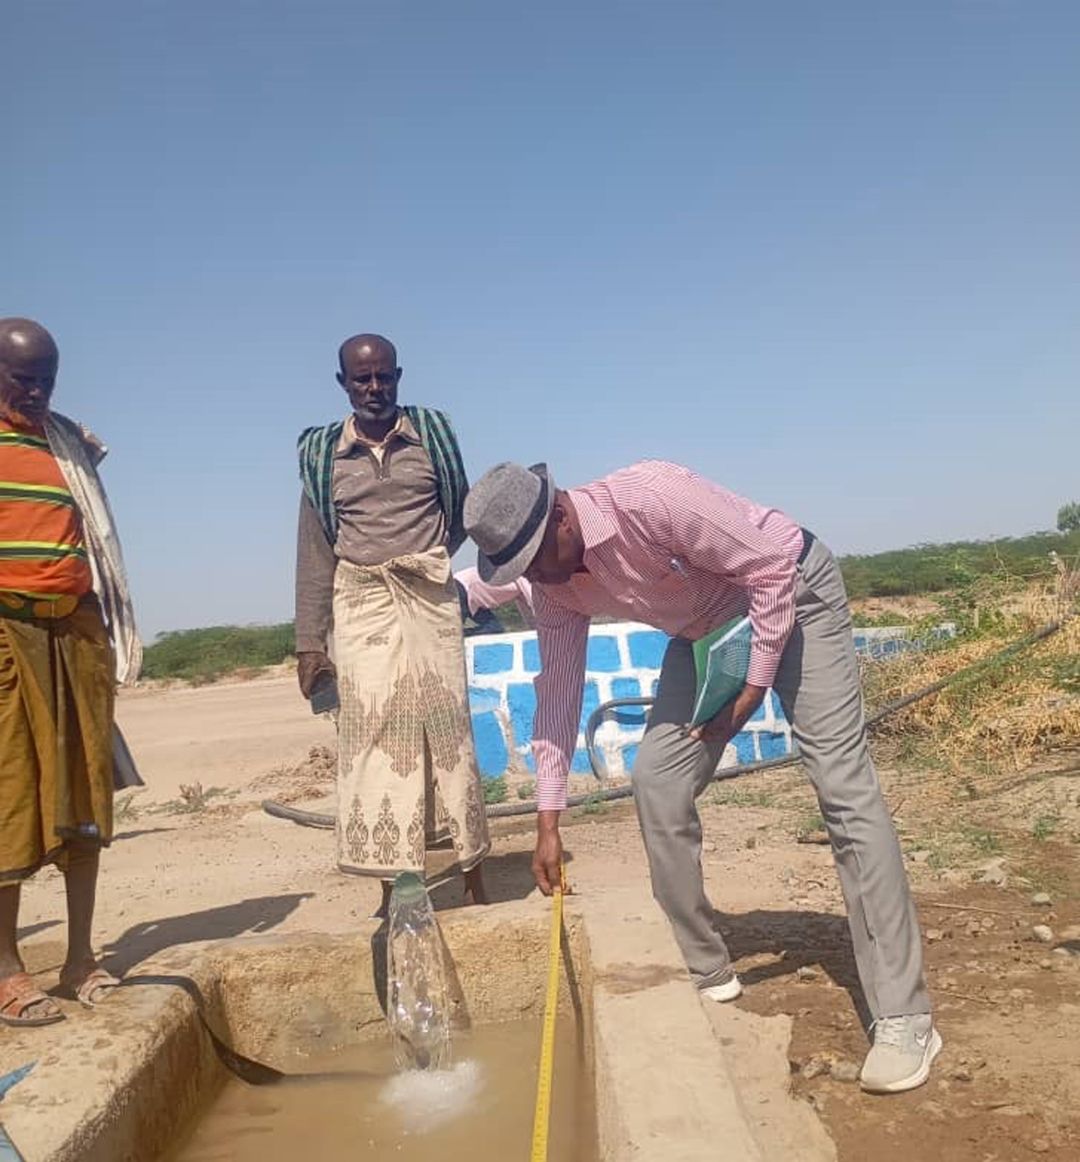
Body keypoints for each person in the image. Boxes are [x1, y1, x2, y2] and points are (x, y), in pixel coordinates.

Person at [463, 458, 940, 1094]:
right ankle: (705, 966)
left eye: (536, 558)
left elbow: (771, 564)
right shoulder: (551, 585)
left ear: (559, 514)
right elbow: (557, 691)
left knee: (840, 781)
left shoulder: (654, 497)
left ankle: (905, 1015)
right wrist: (549, 819)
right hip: (708, 633)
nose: (538, 579)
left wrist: (754, 686)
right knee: (658, 778)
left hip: (795, 592)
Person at [294, 334, 490, 917]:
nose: (374, 389)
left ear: (399, 376)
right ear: (343, 384)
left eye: (384, 377)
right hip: (361, 606)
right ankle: (393, 888)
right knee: (375, 742)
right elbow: (314, 552)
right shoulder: (322, 455)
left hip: (429, 598)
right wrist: (309, 644)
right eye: (362, 380)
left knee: (449, 731)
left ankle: (472, 872)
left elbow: (461, 516)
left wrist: (426, 562)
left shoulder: (434, 436)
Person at [0, 318, 141, 1027]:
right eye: (23, 378)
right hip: (7, 634)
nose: (35, 391)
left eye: (46, 378)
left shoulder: (69, 447)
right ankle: (7, 973)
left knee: (85, 799)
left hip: (77, 629)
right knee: (12, 802)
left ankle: (81, 957)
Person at [454, 565, 535, 633]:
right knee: (453, 632)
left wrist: (534, 631)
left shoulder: (520, 585)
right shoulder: (522, 575)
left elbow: (529, 613)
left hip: (474, 601)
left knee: (495, 630)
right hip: (461, 589)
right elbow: (536, 605)